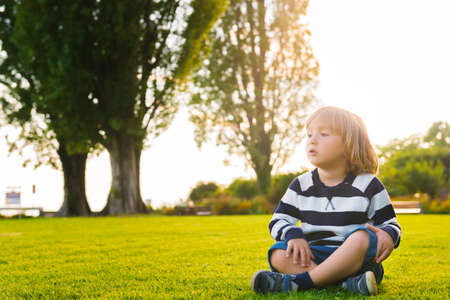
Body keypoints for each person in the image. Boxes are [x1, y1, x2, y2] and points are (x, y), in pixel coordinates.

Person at [251, 106, 401, 295]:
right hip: (312, 255)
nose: (312, 139)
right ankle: (346, 285)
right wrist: (293, 234)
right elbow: (277, 220)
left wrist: (387, 234)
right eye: (309, 134)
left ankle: (299, 283)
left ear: (349, 143)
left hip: (355, 261)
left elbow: (390, 223)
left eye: (323, 134)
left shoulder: (368, 184)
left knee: (361, 237)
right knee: (277, 253)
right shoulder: (301, 185)